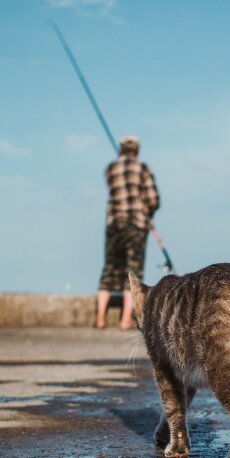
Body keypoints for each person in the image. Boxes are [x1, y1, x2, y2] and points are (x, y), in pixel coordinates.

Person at [97, 136, 160, 328]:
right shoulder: (142, 169)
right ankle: (125, 320)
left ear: (121, 149)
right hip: (135, 224)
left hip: (114, 224)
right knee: (132, 271)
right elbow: (153, 199)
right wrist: (147, 210)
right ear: (137, 150)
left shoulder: (110, 169)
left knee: (109, 270)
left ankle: (100, 318)